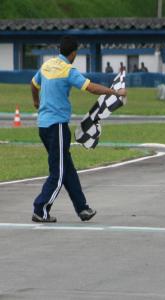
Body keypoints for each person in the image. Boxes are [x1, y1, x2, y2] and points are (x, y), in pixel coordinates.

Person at [30, 36, 127, 223]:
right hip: (57, 126)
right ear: (73, 53)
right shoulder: (68, 70)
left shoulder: (47, 65)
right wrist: (115, 92)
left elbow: (33, 84)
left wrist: (36, 102)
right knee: (58, 173)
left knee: (68, 169)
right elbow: (91, 88)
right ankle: (40, 209)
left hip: (43, 125)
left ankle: (82, 208)